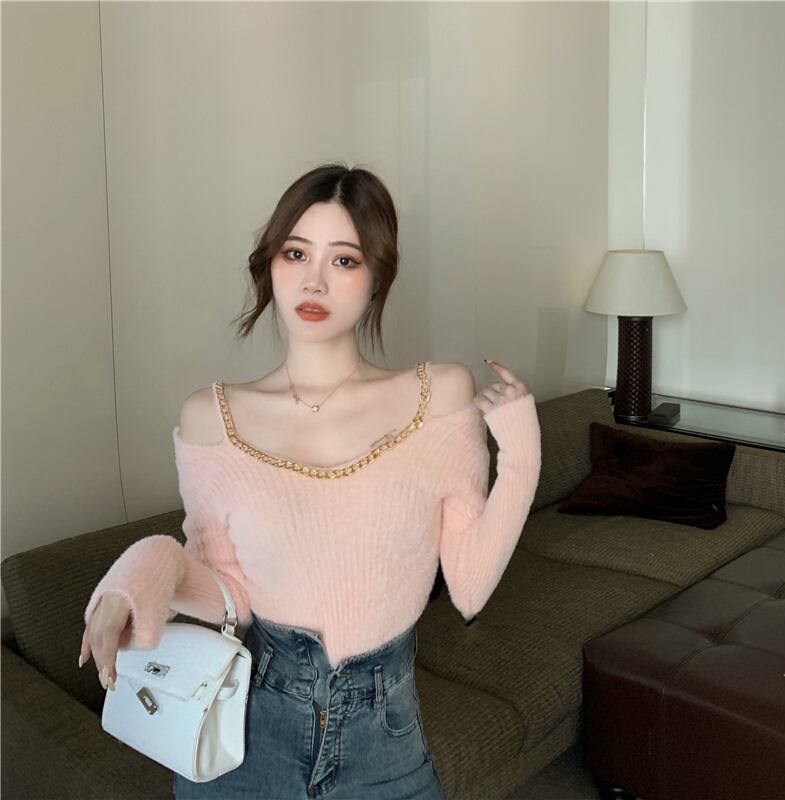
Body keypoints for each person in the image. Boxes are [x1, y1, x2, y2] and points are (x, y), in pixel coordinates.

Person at [78, 162, 542, 799]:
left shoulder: (439, 396)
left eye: (344, 260)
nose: (314, 280)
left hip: (384, 737)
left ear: (377, 276)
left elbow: (468, 588)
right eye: (295, 253)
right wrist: (145, 569)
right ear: (270, 263)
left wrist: (522, 456)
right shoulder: (211, 417)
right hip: (248, 737)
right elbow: (232, 594)